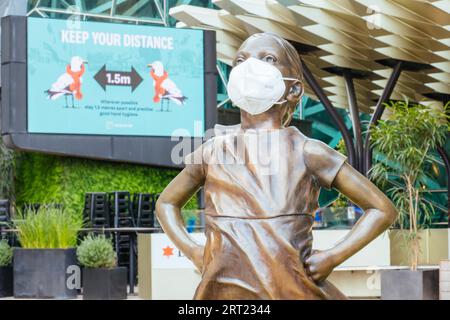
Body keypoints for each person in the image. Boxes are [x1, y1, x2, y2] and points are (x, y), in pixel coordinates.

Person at [156, 33, 397, 300]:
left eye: (268, 59)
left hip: (294, 291)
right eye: (240, 60)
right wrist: (192, 251)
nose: (249, 66)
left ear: (294, 89)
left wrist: (332, 257)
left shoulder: (310, 152)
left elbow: (382, 209)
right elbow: (166, 203)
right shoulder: (212, 151)